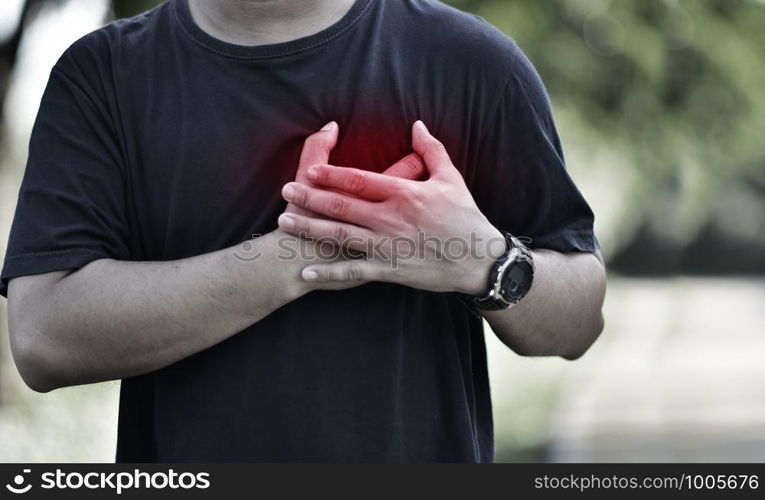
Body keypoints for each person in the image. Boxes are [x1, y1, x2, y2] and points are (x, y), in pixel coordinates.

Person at [1, 0, 606, 462]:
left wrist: (482, 258)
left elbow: (578, 320)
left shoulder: (473, 63)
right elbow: (43, 338)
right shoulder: (102, 75)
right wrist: (297, 255)